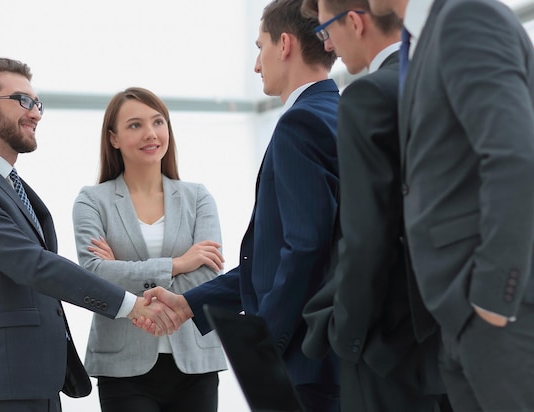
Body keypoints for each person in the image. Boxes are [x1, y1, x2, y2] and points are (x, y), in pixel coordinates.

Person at [0, 58, 180, 412]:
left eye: (37, 103)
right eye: (23, 101)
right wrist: (131, 305)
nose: (36, 113)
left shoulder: (9, 185)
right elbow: (33, 265)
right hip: (0, 387)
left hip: (36, 382)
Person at [139, 0, 341, 410]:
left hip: (304, 360)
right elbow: (275, 255)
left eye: (259, 46)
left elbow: (305, 247)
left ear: (284, 45)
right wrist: (190, 302)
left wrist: (267, 339)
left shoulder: (297, 125)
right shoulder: (341, 112)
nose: (255, 65)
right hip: (337, 353)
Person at [366, 0, 534, 409]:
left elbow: (515, 157)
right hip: (458, 318)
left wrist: (493, 300)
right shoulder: (423, 38)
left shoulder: (466, 16)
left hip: (502, 317)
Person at [299, 1, 451, 411]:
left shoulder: (368, 93)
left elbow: (367, 234)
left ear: (354, 21)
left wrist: (346, 335)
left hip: (388, 343)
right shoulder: (443, 73)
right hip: (454, 333)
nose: (328, 44)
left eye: (326, 29)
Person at [71, 87, 227, 412]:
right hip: (122, 367)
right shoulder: (92, 201)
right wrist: (179, 263)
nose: (150, 134)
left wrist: (122, 271)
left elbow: (208, 277)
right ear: (113, 138)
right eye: (135, 125)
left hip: (196, 361)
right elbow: (93, 278)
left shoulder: (197, 197)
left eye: (158, 122)